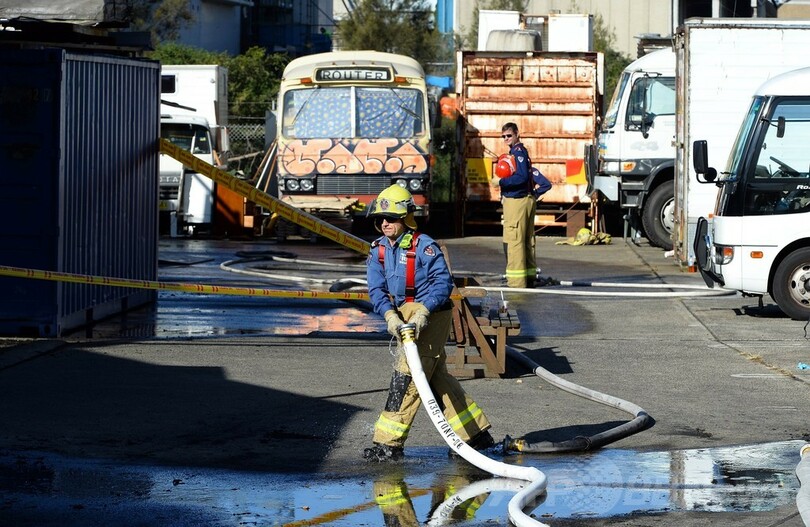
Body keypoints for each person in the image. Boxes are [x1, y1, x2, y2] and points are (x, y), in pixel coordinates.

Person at [363, 184, 494, 462]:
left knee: (408, 375)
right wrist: (389, 314)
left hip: (433, 314)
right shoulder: (379, 251)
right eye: (380, 219)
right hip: (403, 314)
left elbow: (442, 283)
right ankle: (475, 435)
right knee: (435, 378)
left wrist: (423, 311)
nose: (384, 223)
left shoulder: (425, 247)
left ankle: (388, 444)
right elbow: (376, 289)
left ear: (406, 219)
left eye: (391, 218)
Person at [491, 122, 537, 288]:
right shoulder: (518, 152)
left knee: (514, 241)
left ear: (517, 134)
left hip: (517, 202)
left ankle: (516, 283)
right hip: (523, 200)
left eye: (509, 135)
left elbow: (522, 177)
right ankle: (530, 278)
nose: (506, 139)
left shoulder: (518, 153)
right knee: (525, 241)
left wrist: (501, 181)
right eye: (503, 136)